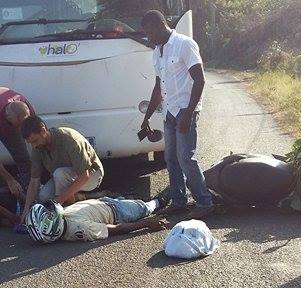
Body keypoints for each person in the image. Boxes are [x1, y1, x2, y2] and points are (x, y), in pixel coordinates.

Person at [139, 10, 214, 220]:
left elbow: (200, 80)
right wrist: (147, 117)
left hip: (185, 109)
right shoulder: (157, 52)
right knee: (170, 159)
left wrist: (189, 114)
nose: (148, 38)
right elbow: (158, 87)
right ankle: (179, 202)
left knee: (186, 158)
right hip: (169, 112)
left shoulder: (185, 44)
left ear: (161, 25)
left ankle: (204, 202)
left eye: (150, 32)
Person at [20, 116, 105, 219]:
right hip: (63, 178)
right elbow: (34, 181)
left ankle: (71, 212)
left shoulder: (69, 139)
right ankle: (79, 197)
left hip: (92, 175)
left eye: (35, 141)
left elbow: (84, 176)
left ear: (43, 131)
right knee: (43, 197)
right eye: (30, 143)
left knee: (60, 175)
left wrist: (58, 202)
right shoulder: (37, 148)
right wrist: (26, 210)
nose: (33, 146)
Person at [26, 196, 168, 244]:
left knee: (130, 199)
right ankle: (161, 200)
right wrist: (146, 223)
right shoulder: (82, 230)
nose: (51, 211)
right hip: (117, 212)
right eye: (49, 214)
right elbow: (115, 229)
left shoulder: (62, 221)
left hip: (102, 202)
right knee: (145, 207)